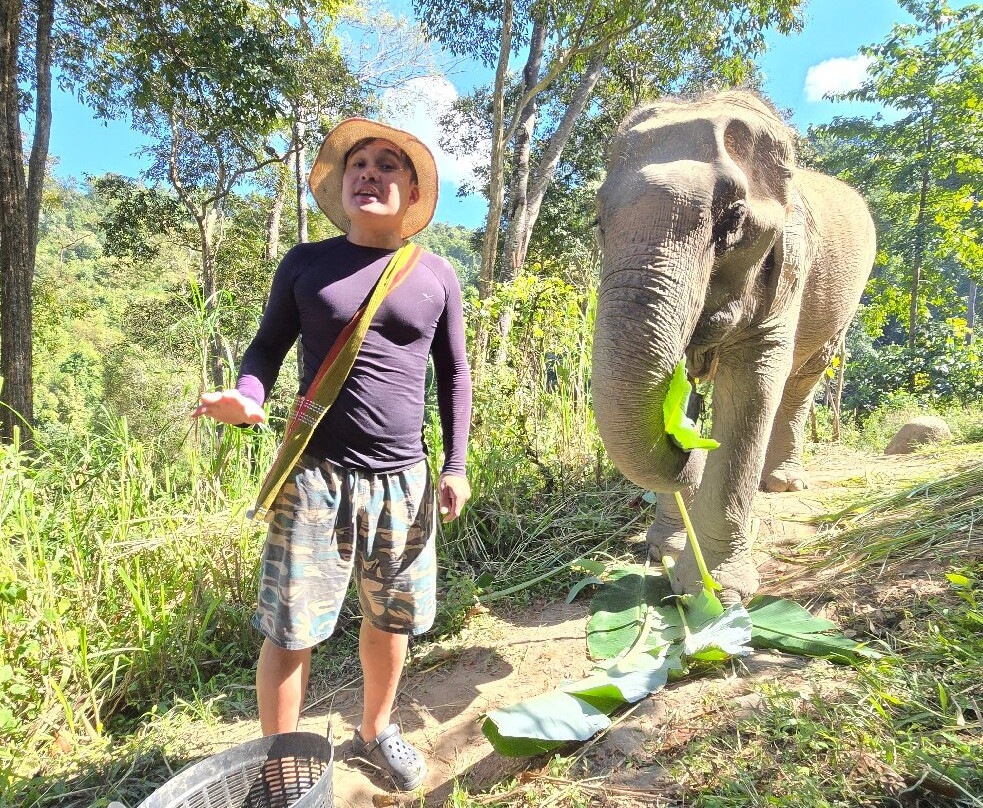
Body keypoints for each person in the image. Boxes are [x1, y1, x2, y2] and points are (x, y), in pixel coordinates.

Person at [192, 119, 472, 792]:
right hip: (316, 477)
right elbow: (265, 347)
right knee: (292, 628)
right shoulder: (306, 264)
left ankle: (375, 731)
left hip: (403, 480)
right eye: (358, 165)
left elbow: (455, 373)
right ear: (343, 184)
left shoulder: (435, 275)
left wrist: (456, 464)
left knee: (390, 617)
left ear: (410, 191)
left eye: (387, 166)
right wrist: (249, 397)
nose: (369, 173)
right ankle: (281, 766)